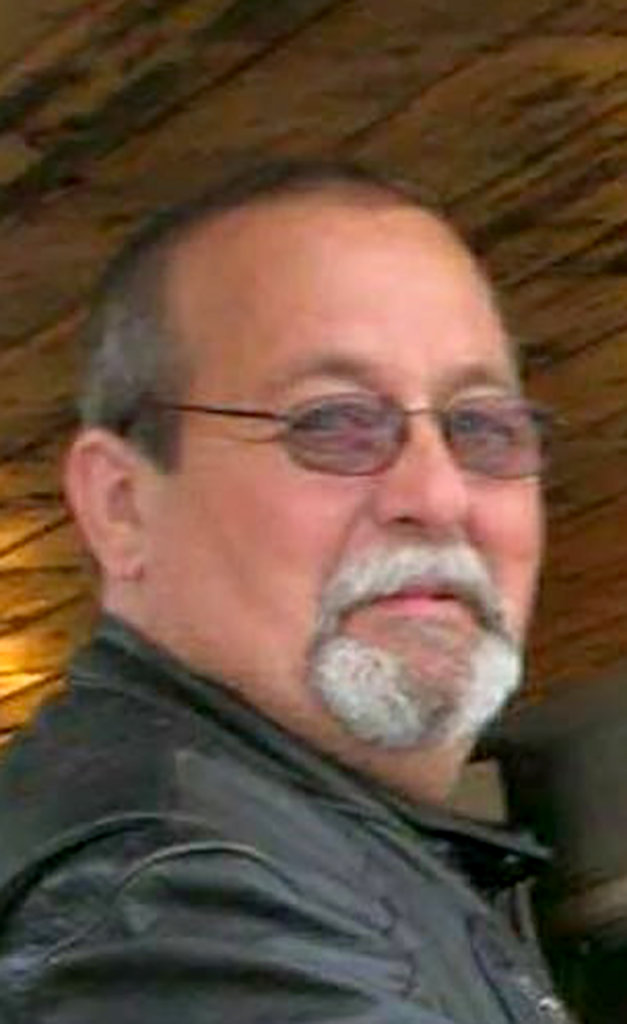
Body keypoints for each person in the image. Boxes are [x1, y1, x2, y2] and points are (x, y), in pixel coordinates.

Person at [0, 160, 572, 1023]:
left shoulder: (307, 861)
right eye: (332, 423)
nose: (438, 495)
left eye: (482, 428)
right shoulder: (165, 903)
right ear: (122, 506)